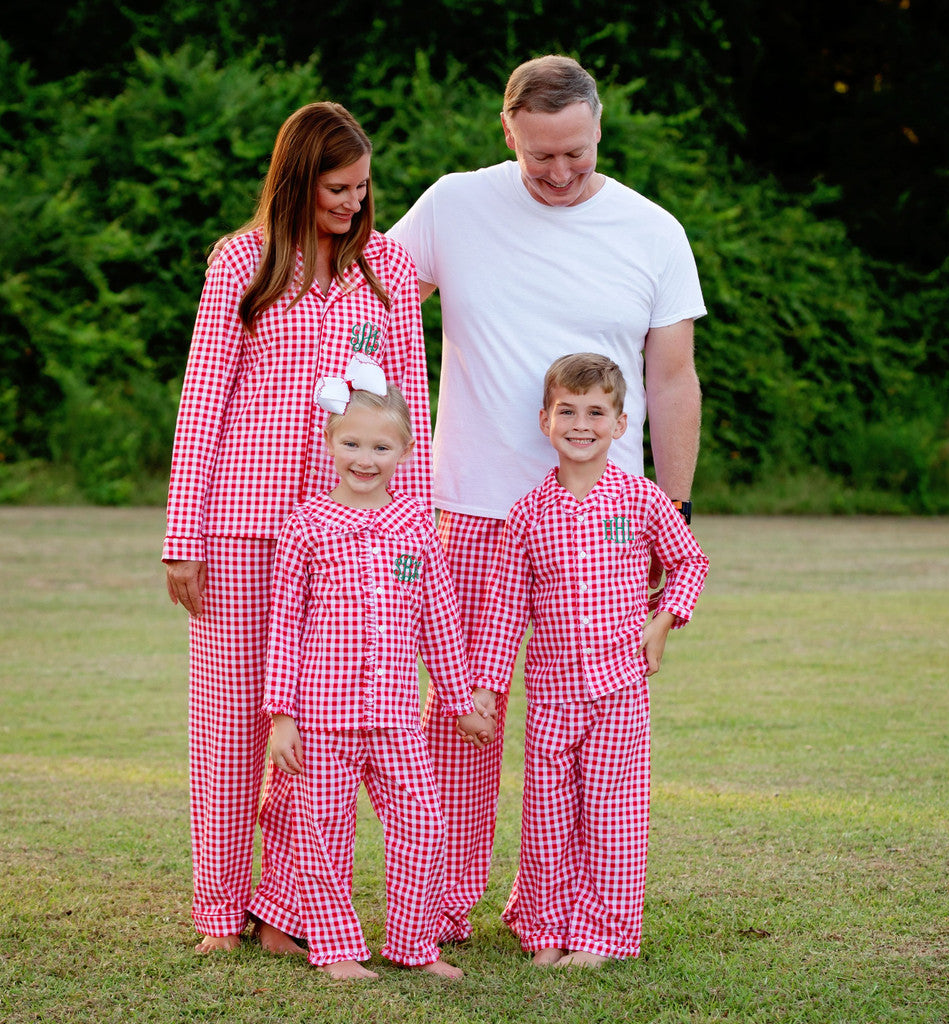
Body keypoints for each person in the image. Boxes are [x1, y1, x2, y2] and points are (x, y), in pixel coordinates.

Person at [386, 54, 706, 942]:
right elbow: (369, 309)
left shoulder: (652, 230)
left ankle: (578, 905)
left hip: (604, 525)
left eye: (578, 153)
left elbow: (673, 381)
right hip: (475, 510)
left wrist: (669, 514)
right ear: (508, 133)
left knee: (596, 736)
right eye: (541, 159)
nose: (561, 174)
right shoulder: (453, 205)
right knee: (464, 721)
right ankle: (442, 909)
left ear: (599, 128)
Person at [163, 101, 433, 954]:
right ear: (295, 182)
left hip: (350, 537)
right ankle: (218, 912)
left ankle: (287, 910)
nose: (354, 204)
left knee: (320, 733)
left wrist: (411, 526)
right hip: (244, 524)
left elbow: (410, 411)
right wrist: (184, 535)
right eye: (336, 189)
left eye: (362, 189)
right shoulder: (242, 262)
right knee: (232, 722)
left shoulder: (386, 270)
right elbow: (203, 401)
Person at [469, 353, 709, 967]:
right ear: (545, 421)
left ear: (621, 424)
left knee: (612, 820)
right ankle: (546, 931)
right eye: (567, 412)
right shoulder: (528, 513)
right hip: (550, 695)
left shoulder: (643, 500)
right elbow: (504, 609)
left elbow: (689, 563)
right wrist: (487, 689)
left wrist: (662, 622)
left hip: (619, 691)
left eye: (596, 412)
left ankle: (603, 936)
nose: (582, 424)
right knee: (547, 818)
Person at [259, 380, 491, 980]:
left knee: (423, 825)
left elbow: (438, 617)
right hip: (322, 718)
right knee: (324, 836)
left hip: (395, 717)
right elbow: (284, 626)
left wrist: (459, 699)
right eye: (354, 444)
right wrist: (283, 717)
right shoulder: (306, 527)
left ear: (406, 452)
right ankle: (336, 951)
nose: (366, 459)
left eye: (381, 448)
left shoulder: (416, 527)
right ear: (331, 442)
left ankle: (414, 945)